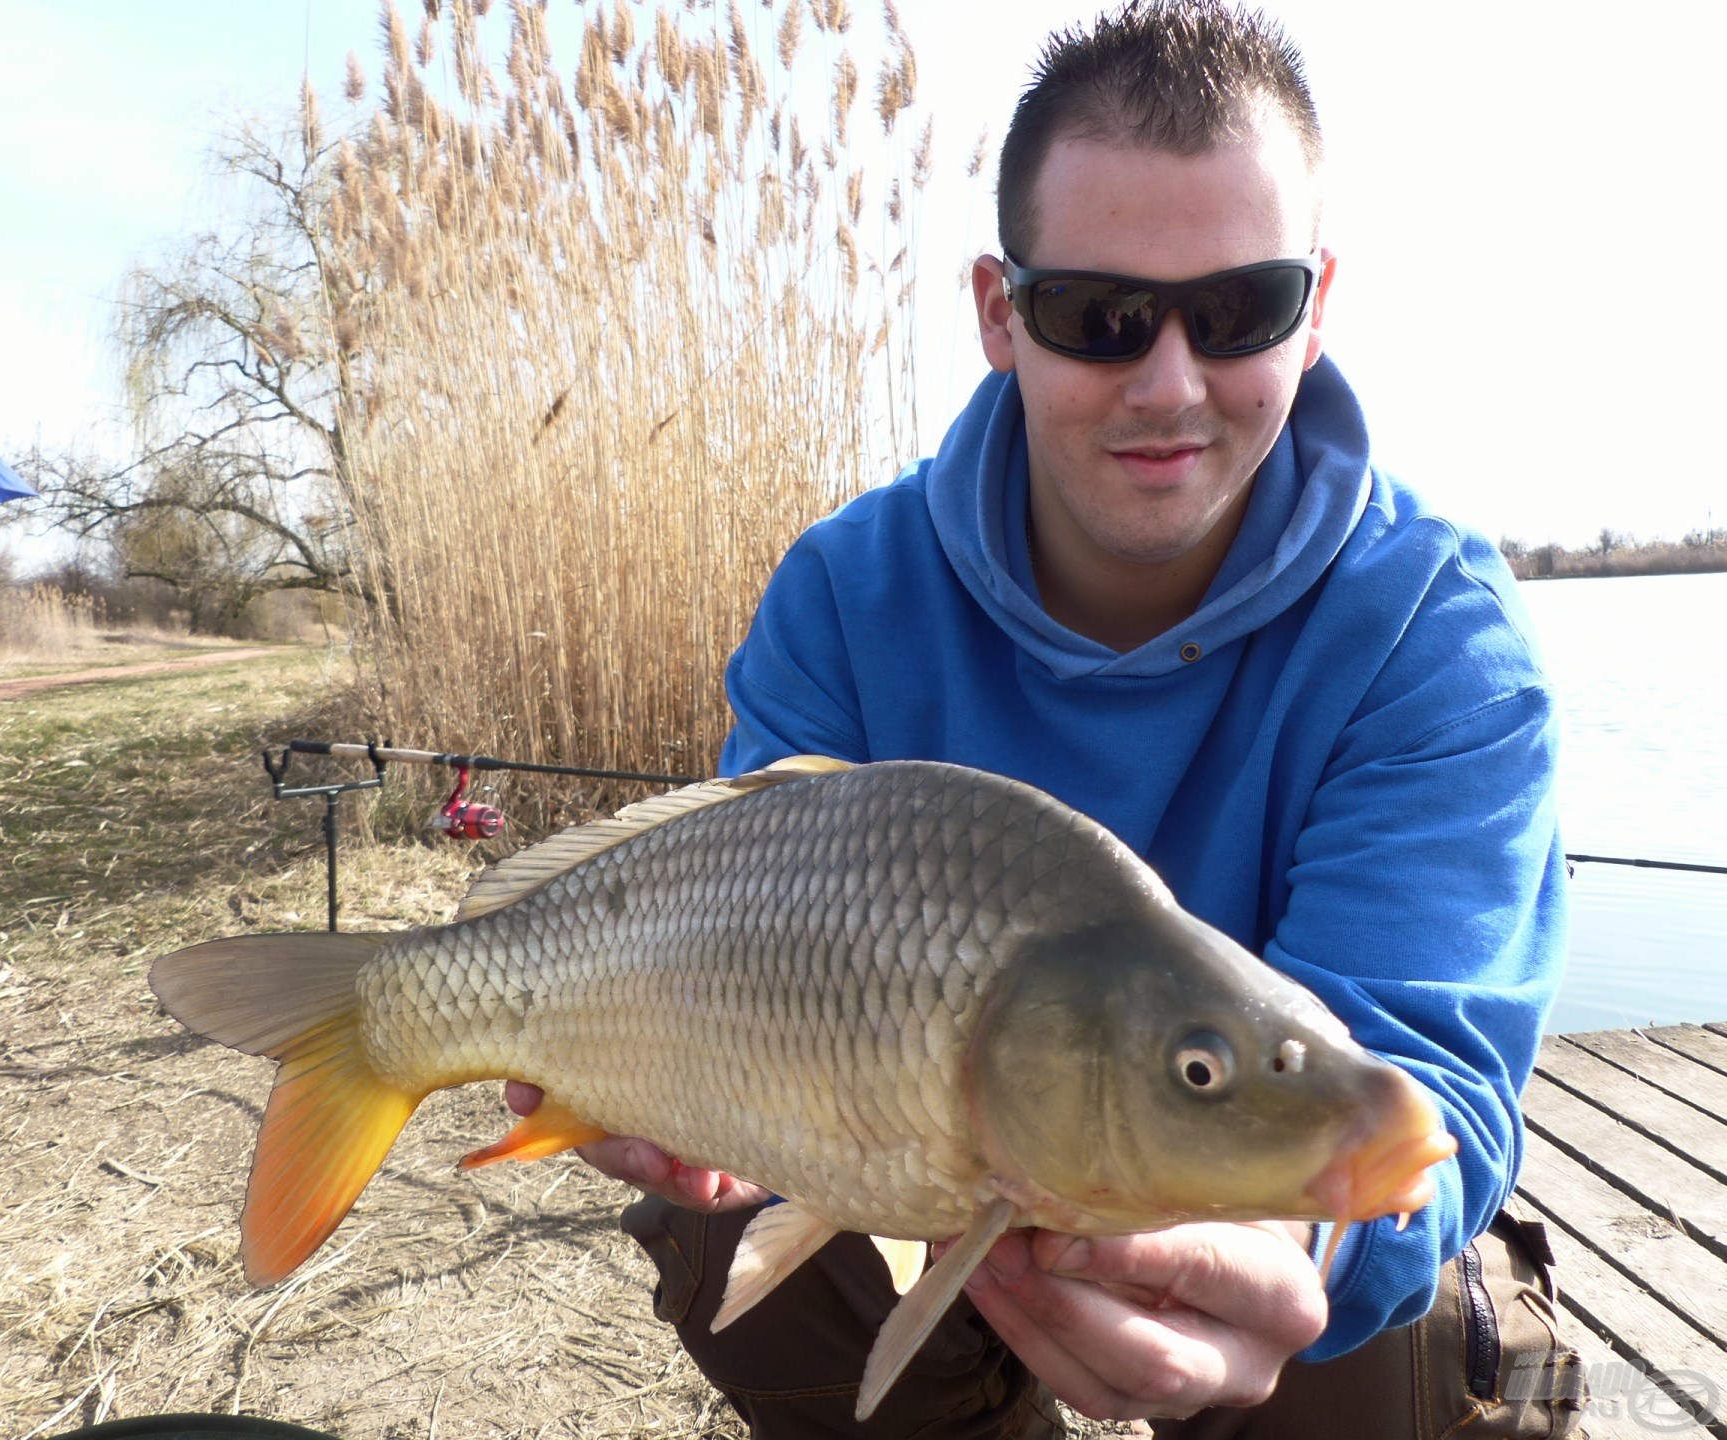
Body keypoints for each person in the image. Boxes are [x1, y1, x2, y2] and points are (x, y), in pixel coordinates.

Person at [511, 2, 1586, 1433]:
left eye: (1240, 309)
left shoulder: (1434, 632)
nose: (1169, 382)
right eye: (1100, 316)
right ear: (1000, 313)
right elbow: (737, 937)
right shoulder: (846, 592)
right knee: (725, 1238)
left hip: (1230, 1172)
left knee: (1389, 1314)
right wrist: (667, 1079)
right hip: (919, 1166)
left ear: (1316, 305)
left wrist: (1307, 1248)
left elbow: (1423, 1085)